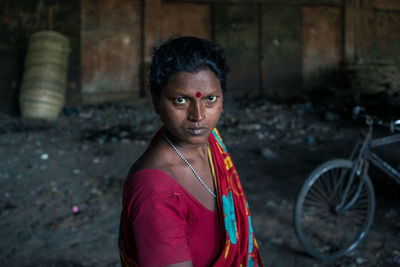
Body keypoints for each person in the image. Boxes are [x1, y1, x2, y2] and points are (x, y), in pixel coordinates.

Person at [119, 36, 263, 267]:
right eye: (180, 100)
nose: (198, 116)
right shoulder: (155, 193)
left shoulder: (210, 143)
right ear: (156, 102)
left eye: (210, 99)